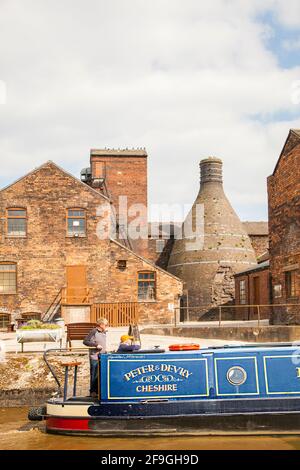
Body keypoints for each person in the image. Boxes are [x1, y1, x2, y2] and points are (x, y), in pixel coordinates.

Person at [83, 318, 108, 398]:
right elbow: (85, 341)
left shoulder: (104, 332)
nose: (107, 326)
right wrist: (96, 345)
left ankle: (98, 391)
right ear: (101, 325)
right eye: (106, 325)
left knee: (100, 375)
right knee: (94, 375)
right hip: (95, 356)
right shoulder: (94, 331)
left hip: (103, 356)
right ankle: (93, 392)